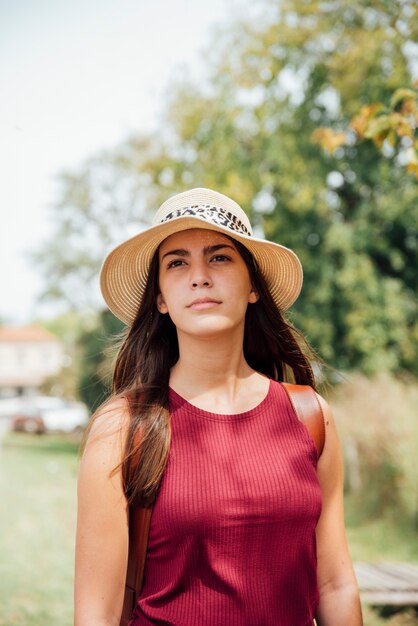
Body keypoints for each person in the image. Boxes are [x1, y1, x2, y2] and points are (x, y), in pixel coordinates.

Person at [74, 188, 363, 626]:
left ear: (253, 287)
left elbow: (334, 585)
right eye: (177, 263)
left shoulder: (310, 416)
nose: (199, 276)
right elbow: (96, 615)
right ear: (161, 299)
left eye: (220, 257)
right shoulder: (123, 428)